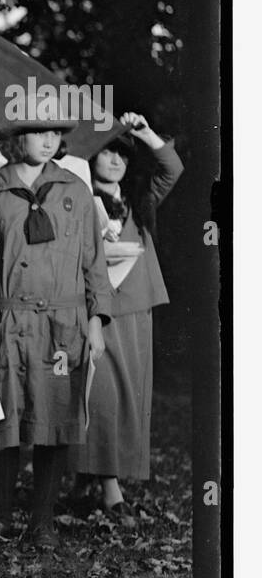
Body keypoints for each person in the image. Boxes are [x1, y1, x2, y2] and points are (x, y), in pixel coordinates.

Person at [0, 103, 113, 549]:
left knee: (54, 419)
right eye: (37, 132)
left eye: (54, 132)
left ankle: (43, 520)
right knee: (3, 420)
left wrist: (95, 320)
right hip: (6, 320)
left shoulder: (75, 188)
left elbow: (93, 259)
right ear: (16, 138)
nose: (48, 140)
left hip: (61, 325)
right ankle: (1, 517)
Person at [70, 112, 183, 512]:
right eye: (107, 152)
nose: (116, 160)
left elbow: (172, 167)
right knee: (99, 394)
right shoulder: (77, 200)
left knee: (130, 398)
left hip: (136, 307)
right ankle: (109, 487)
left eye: (122, 153)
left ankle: (91, 475)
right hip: (94, 309)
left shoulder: (139, 202)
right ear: (91, 158)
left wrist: (146, 132)